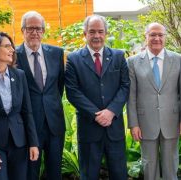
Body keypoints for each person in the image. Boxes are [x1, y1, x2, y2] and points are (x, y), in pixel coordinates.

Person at [65, 15, 130, 179]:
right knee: (89, 175)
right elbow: (73, 92)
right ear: (85, 34)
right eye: (92, 31)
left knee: (119, 174)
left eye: (100, 31)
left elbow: (125, 86)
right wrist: (97, 115)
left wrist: (111, 111)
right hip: (89, 129)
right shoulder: (73, 59)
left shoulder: (118, 56)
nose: (96, 36)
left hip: (114, 128)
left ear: (106, 33)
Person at [127, 22, 181, 180]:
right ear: (145, 37)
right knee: (149, 166)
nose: (157, 38)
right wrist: (134, 124)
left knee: (171, 165)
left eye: (160, 35)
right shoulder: (133, 62)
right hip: (145, 122)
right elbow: (131, 95)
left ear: (165, 37)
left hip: (171, 120)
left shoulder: (178, 59)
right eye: (153, 34)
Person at [0, 32, 39, 180]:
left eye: (11, 46)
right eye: (7, 46)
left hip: (19, 143)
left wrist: (33, 143)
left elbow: (27, 112)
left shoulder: (19, 75)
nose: (12, 49)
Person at [15, 11, 65, 180]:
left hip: (54, 124)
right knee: (30, 172)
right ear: (23, 30)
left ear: (43, 31)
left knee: (55, 172)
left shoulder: (57, 53)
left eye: (38, 28)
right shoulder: (13, 55)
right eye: (30, 28)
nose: (35, 32)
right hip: (28, 126)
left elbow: (59, 86)